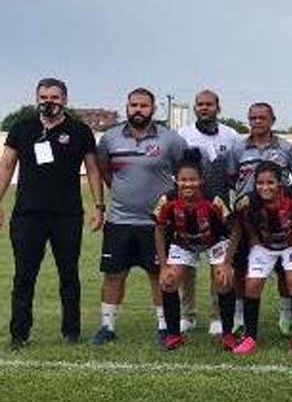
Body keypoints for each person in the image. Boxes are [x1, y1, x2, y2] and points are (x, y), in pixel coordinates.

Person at [0, 77, 105, 350]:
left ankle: (71, 332)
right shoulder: (22, 128)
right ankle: (19, 334)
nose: (49, 102)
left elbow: (93, 170)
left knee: (69, 275)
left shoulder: (80, 131)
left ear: (65, 100)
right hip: (27, 215)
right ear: (37, 99)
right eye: (44, 97)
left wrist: (98, 206)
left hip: (67, 215)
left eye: (55, 97)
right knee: (24, 276)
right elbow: (6, 166)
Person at [92, 88, 187, 346]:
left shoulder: (171, 140)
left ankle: (164, 327)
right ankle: (107, 327)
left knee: (158, 275)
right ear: (127, 107)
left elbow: (185, 174)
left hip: (156, 225)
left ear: (154, 109)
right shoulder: (110, 139)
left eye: (144, 106)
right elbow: (105, 173)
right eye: (133, 105)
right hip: (119, 221)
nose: (138, 110)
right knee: (113, 275)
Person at [224, 102, 292, 336]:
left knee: (284, 270)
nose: (257, 122)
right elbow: (231, 179)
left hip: (279, 218)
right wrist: (244, 201)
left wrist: (287, 194)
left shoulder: (285, 148)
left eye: (262, 118)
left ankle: (286, 316)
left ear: (272, 120)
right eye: (253, 118)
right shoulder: (237, 149)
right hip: (248, 219)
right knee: (242, 269)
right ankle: (240, 316)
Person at [153, 150, 237, 350]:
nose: (188, 184)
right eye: (183, 180)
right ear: (176, 180)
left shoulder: (213, 200)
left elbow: (236, 230)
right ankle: (173, 335)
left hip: (214, 242)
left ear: (201, 180)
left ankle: (227, 334)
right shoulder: (167, 200)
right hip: (183, 242)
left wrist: (226, 263)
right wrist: (164, 265)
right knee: (168, 280)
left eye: (193, 180)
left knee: (223, 280)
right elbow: (158, 230)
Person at [177, 89, 241, 337]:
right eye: (200, 104)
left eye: (209, 104)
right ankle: (187, 315)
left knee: (218, 264)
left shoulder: (231, 135)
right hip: (189, 209)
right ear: (195, 108)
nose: (204, 108)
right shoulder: (182, 136)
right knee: (187, 265)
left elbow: (235, 173)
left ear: (218, 107)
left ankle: (216, 315)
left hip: (218, 210)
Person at [232, 161, 292, 356]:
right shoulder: (247, 201)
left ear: (280, 183)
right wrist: (252, 239)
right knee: (251, 284)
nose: (265, 187)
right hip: (265, 246)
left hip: (291, 245)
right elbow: (241, 219)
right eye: (260, 183)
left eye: (270, 183)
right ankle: (250, 337)